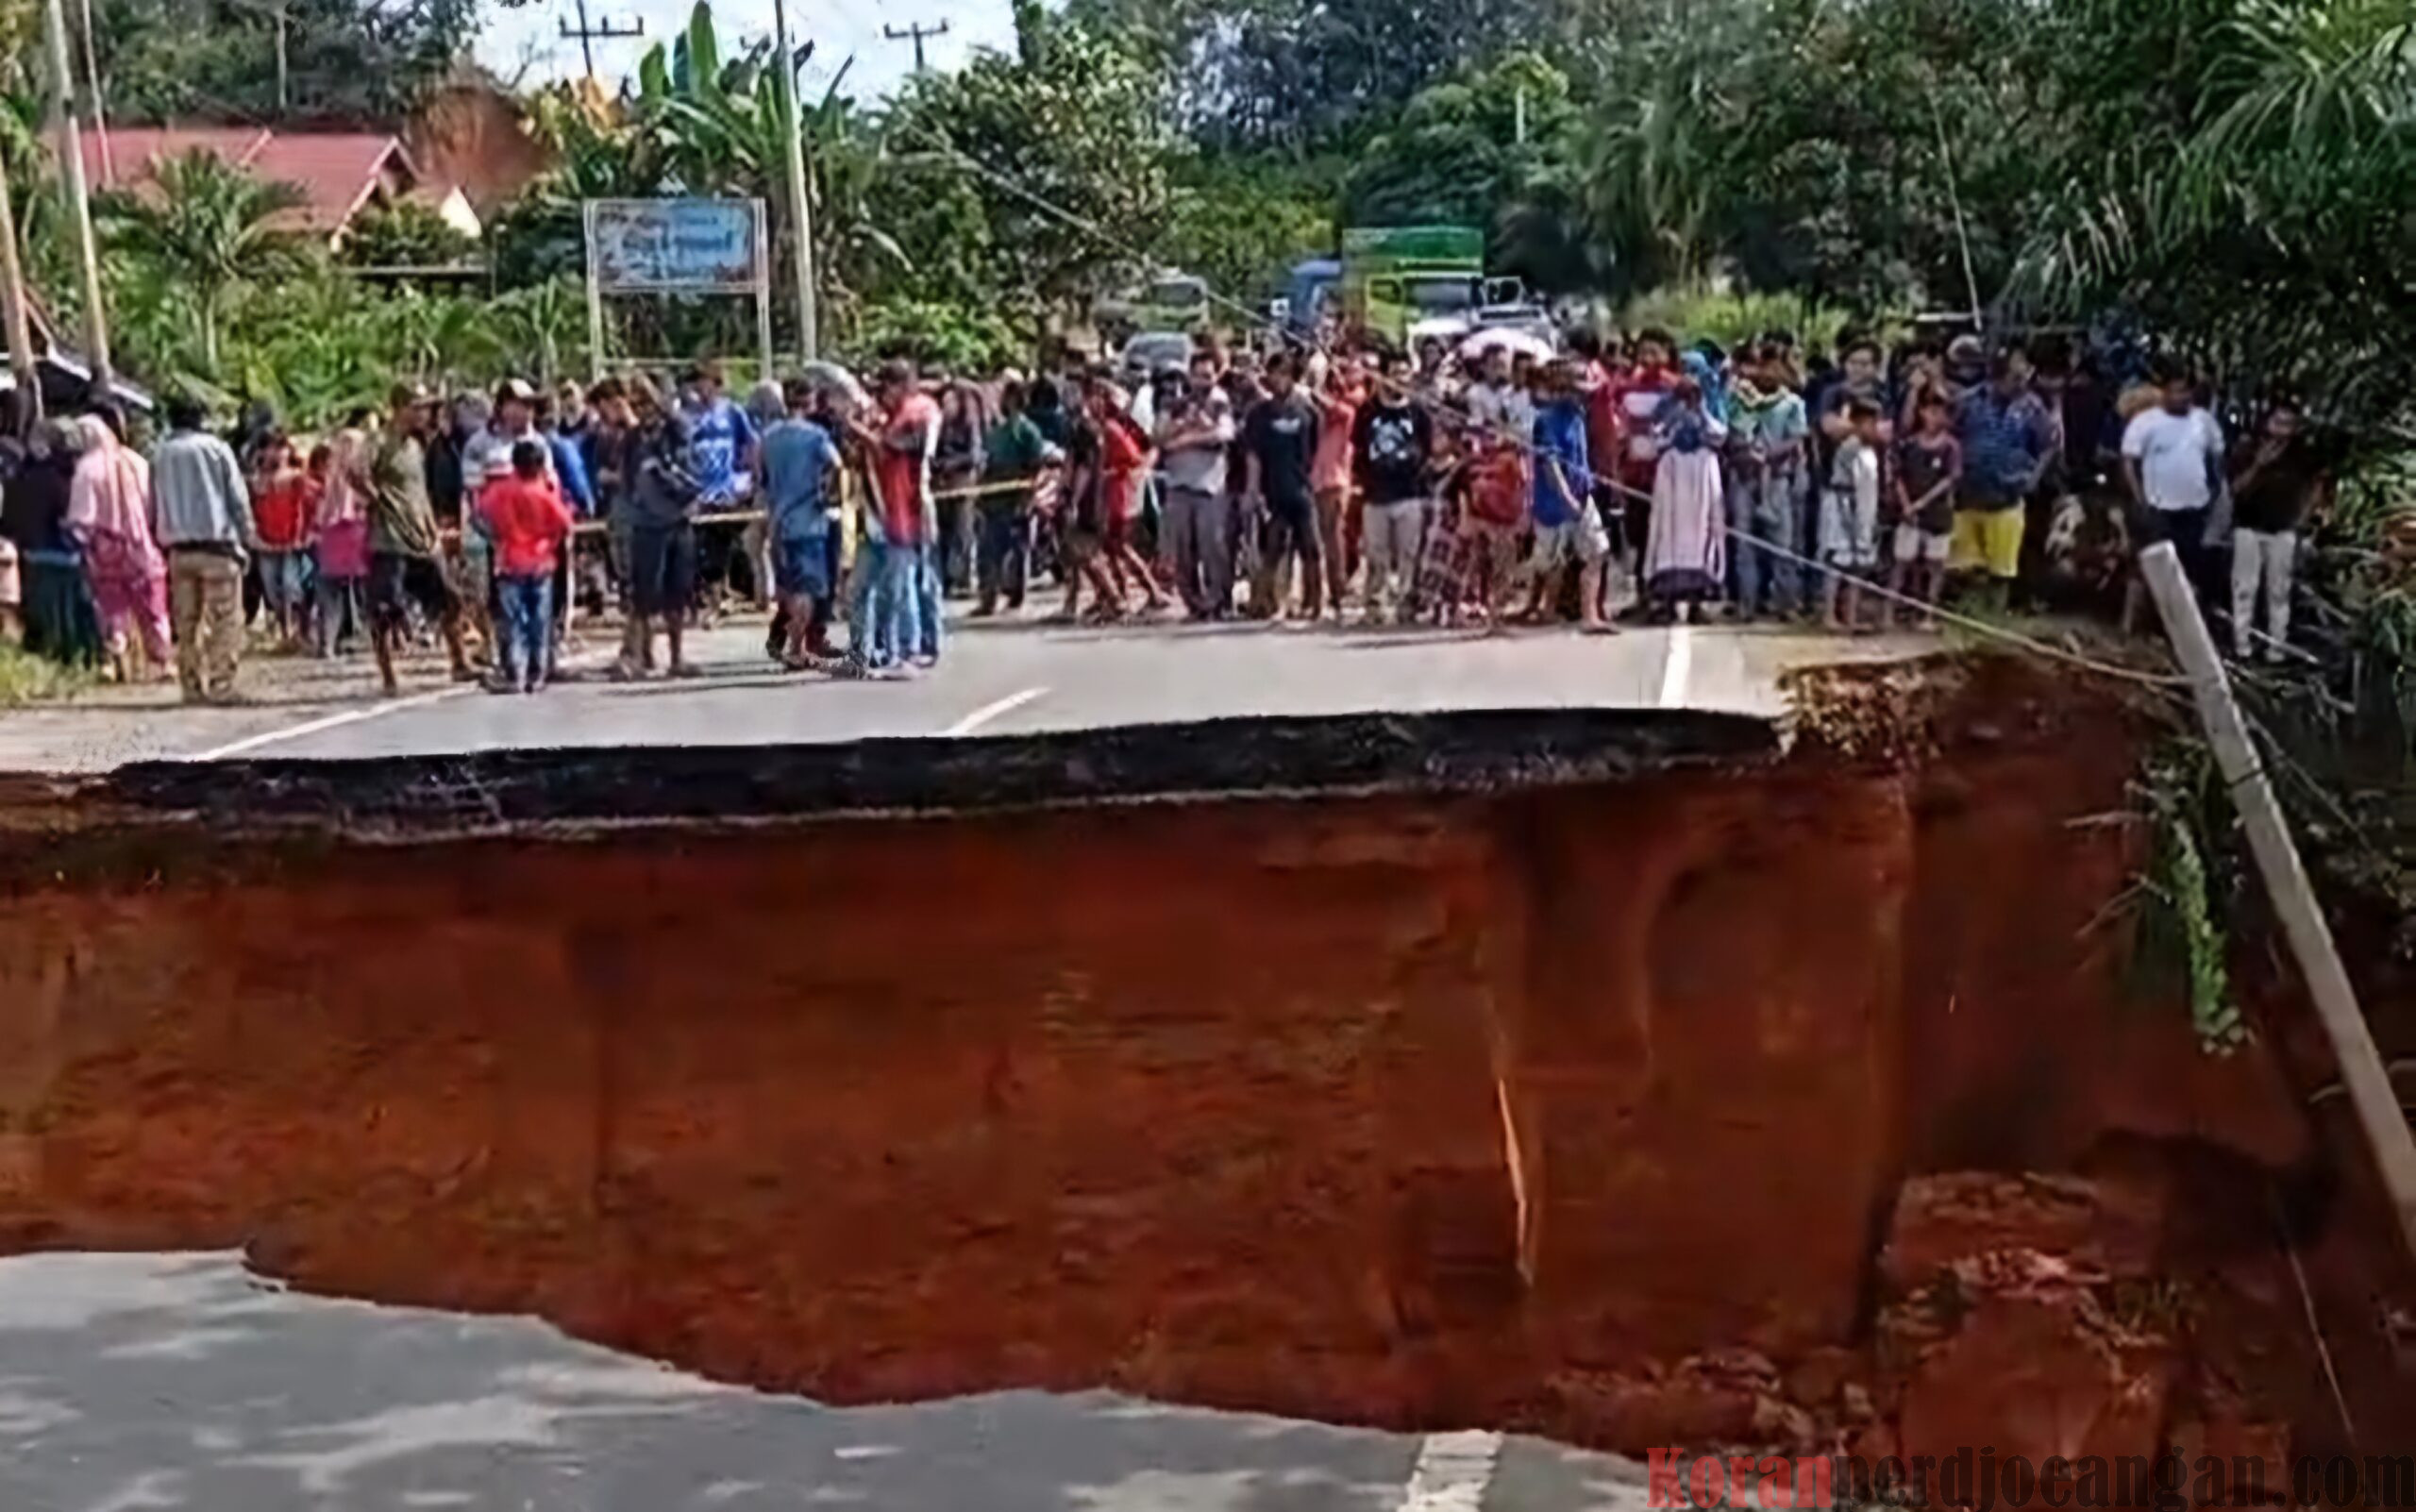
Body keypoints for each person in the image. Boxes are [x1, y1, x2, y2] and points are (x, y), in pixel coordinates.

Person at [361, 383, 472, 696]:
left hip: (422, 535)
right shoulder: (380, 441)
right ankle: (388, 676)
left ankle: (459, 660)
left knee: (449, 598)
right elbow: (356, 472)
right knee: (385, 609)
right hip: (390, 539)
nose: (425, 413)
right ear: (401, 407)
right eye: (419, 406)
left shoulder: (417, 445)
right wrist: (378, 500)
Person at [147, 398, 256, 701]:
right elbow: (237, 498)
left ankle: (191, 687)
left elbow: (152, 504)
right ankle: (222, 685)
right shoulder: (216, 449)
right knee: (224, 619)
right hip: (217, 547)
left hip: (179, 551)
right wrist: (247, 535)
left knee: (187, 623)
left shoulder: (160, 453)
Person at [65, 412, 172, 685]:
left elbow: (82, 518)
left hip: (105, 552)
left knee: (112, 607)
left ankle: (115, 660)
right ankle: (162, 661)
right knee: (152, 605)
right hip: (141, 546)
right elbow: (151, 506)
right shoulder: (136, 461)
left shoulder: (86, 469)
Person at [2120, 365, 2225, 627]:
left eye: (2186, 391)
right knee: (2145, 567)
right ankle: (2129, 625)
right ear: (2164, 392)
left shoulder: (2204, 422)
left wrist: (2213, 496)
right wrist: (2139, 497)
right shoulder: (2146, 422)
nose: (2182, 397)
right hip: (2157, 505)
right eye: (2176, 391)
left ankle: (2182, 628)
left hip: (2194, 507)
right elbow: (2129, 461)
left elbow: (2217, 459)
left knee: (2189, 569)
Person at [1951, 349, 2055, 611]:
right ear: (1997, 377)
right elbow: (1950, 434)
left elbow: (2049, 444)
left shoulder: (2032, 407)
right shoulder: (1968, 401)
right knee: (1967, 566)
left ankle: (1995, 614)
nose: (2021, 382)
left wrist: (2034, 477)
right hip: (1968, 493)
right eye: (2015, 377)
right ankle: (1971, 612)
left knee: (2002, 569)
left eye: (2024, 377)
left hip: (2008, 496)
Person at [2226, 396, 2324, 660]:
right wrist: (2259, 464)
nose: (2282, 429)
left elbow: (2318, 483)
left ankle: (2276, 649)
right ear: (2267, 423)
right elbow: (2234, 489)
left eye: (2288, 424)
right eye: (2278, 422)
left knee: (2279, 590)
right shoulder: (2248, 449)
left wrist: (2304, 517)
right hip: (2248, 527)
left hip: (2283, 529)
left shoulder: (2301, 454)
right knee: (2244, 587)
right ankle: (2242, 646)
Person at [759, 376, 845, 667]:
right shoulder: (815, 436)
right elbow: (837, 465)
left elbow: (759, 474)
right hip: (808, 520)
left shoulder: (769, 437)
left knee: (789, 585)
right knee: (807, 588)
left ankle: (786, 642)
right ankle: (796, 648)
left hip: (778, 521)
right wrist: (827, 493)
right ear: (809, 401)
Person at [477, 440, 575, 694]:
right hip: (541, 562)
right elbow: (565, 524)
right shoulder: (543, 492)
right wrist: (550, 541)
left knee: (512, 621)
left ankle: (514, 672)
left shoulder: (500, 490)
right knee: (539, 621)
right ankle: (536, 672)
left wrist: (495, 537)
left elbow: (479, 515)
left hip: (509, 561)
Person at [1523, 358, 1611, 631]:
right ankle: (1547, 610)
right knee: (1551, 562)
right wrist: (1565, 497)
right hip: (1553, 502)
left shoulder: (1579, 416)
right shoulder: (1547, 420)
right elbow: (1551, 464)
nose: (1584, 394)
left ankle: (1590, 615)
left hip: (1583, 494)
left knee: (1597, 551)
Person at [1725, 343, 1811, 620]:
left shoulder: (1792, 403)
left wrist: (1768, 455)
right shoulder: (1740, 400)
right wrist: (1746, 452)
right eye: (1762, 363)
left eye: (1773, 364)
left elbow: (1797, 439)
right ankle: (1747, 603)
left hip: (1778, 479)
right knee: (1744, 543)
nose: (1767, 371)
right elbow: (1733, 433)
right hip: (1744, 477)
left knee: (1783, 544)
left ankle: (1785, 602)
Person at [3, 422, 100, 665]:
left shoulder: (20, 476)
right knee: (69, 620)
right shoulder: (63, 479)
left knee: (40, 622)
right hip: (63, 558)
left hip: (29, 556)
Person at [1351, 348, 1436, 624]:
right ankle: (1375, 605)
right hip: (1375, 495)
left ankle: (1406, 604)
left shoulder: (1418, 412)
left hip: (1409, 494)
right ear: (1383, 376)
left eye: (1405, 373)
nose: (1400, 379)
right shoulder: (1367, 411)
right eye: (1395, 373)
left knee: (1409, 554)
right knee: (1377, 555)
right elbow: (1359, 449)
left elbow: (1428, 449)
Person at [1241, 352, 1323, 620]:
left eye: (1285, 374)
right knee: (1272, 548)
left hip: (1302, 490)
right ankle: (1265, 601)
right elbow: (1253, 455)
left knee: (1311, 548)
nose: (1279, 380)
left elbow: (1315, 451)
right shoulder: (1259, 415)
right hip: (1273, 492)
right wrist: (1252, 492)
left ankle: (1314, 603)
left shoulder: (1307, 412)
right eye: (1274, 374)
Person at [1157, 350, 1238, 619]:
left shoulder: (1219, 402)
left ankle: (1218, 602)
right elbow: (1158, 436)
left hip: (1209, 487)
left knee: (1213, 547)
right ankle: (1194, 605)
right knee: (1182, 551)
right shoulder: (1177, 403)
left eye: (1208, 375)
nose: (1203, 381)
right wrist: (1185, 426)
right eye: (1198, 375)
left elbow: (1224, 434)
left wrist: (1186, 439)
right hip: (1179, 484)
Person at [624, 411, 704, 679]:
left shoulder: (677, 436)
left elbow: (692, 476)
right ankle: (643, 655)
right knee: (645, 595)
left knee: (678, 594)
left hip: (679, 523)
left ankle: (676, 656)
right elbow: (633, 478)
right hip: (648, 525)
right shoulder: (635, 442)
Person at [1641, 378, 1727, 620]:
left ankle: (1697, 601)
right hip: (1672, 472)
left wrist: (1702, 411)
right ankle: (1667, 601)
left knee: (1704, 533)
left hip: (1702, 471)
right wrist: (1673, 418)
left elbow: (1720, 436)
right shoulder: (1665, 407)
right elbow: (1656, 438)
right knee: (1666, 532)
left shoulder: (1712, 405)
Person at [1888, 390, 1963, 626]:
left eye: (1941, 412)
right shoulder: (1909, 444)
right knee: (1901, 562)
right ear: (1921, 413)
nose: (1936, 417)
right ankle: (1889, 613)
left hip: (1937, 514)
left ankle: (1928, 614)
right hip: (1909, 513)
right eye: (1931, 411)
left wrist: (1922, 502)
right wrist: (1906, 504)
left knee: (1935, 565)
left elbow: (1949, 479)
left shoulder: (1951, 447)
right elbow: (1898, 475)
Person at [1819, 398, 1885, 631]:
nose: (1876, 427)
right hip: (1842, 506)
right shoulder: (1850, 446)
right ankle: (1829, 614)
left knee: (1858, 565)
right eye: (1872, 423)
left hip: (1863, 509)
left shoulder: (1869, 450)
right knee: (1837, 561)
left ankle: (1851, 615)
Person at [247, 429, 313, 649]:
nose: (274, 453)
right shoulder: (256, 482)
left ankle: (298, 628)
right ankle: (286, 629)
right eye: (268, 448)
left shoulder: (297, 478)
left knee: (290, 585)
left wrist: (302, 534)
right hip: (266, 542)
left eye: (279, 448)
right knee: (272, 590)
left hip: (291, 541)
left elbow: (305, 507)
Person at [309, 429, 370, 658]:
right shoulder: (362, 473)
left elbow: (324, 511)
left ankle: (329, 643)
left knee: (331, 594)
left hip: (334, 537)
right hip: (356, 535)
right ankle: (364, 638)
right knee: (362, 591)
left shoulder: (333, 475)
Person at [1311, 355, 1360, 613]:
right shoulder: (1319, 415)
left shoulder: (1346, 410)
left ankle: (1338, 591)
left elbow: (1323, 400)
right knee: (1321, 540)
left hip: (1336, 479)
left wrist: (1320, 377)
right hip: (1316, 478)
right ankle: (1322, 593)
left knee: (1334, 539)